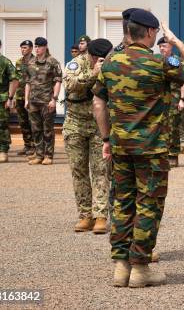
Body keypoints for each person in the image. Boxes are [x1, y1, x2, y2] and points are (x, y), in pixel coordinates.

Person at [92, 8, 184, 288]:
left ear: (128, 31)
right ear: (152, 32)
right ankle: (140, 269)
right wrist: (176, 41)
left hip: (120, 148)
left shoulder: (110, 63)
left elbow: (97, 104)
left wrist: (107, 139)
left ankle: (120, 267)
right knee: (148, 206)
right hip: (151, 150)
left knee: (122, 203)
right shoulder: (159, 63)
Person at [63, 37, 111, 234]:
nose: (101, 61)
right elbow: (71, 85)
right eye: (98, 58)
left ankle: (100, 216)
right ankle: (85, 215)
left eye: (104, 58)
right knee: (79, 171)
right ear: (90, 55)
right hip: (75, 124)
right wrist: (94, 74)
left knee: (101, 171)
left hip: (99, 125)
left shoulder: (111, 64)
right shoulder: (76, 63)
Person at [25, 37, 62, 166]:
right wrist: (26, 99)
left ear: (45, 47)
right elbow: (28, 83)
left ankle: (48, 155)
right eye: (36, 46)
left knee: (48, 130)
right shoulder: (31, 62)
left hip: (47, 101)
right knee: (36, 129)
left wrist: (54, 99)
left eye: (39, 46)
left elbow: (58, 81)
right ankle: (39, 155)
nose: (37, 49)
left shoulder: (52, 62)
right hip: (33, 101)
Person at [157, 36, 183, 167]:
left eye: (164, 46)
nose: (162, 48)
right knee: (161, 126)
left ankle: (173, 154)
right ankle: (163, 153)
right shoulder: (157, 60)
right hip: (160, 98)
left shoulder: (176, 61)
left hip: (174, 97)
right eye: (160, 46)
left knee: (173, 126)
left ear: (171, 47)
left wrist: (182, 99)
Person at [15, 40, 35, 156]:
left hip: (32, 97)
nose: (23, 50)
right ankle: (27, 145)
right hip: (19, 96)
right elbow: (15, 79)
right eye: (22, 48)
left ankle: (35, 146)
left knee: (33, 122)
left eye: (25, 48)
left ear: (31, 49)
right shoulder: (18, 62)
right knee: (23, 122)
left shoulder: (36, 61)